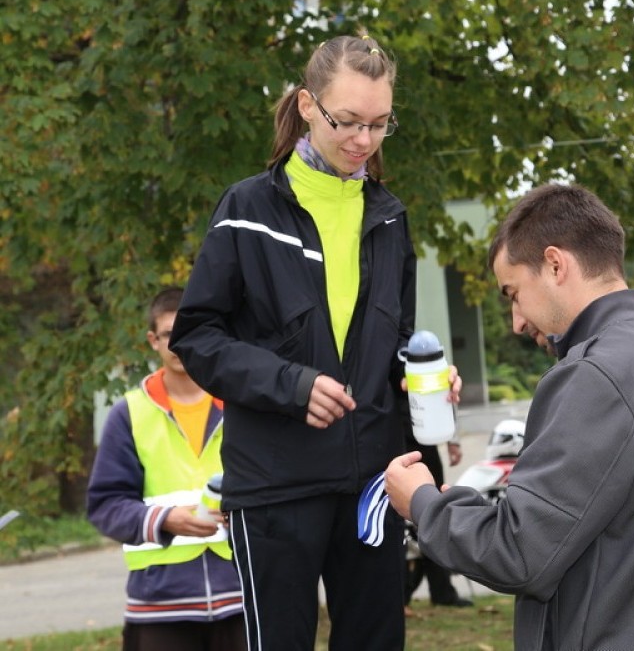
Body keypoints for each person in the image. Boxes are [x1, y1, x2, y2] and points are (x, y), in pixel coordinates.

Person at [168, 34, 462, 651]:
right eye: (348, 121)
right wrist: (292, 384)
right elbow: (197, 337)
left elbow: (396, 341)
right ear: (307, 105)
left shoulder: (389, 217)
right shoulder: (247, 209)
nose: (363, 141)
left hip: (372, 488)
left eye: (380, 125)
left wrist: (425, 376)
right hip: (276, 486)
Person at [385, 183, 634, 651]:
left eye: (513, 293)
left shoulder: (595, 374)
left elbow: (519, 552)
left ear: (555, 264)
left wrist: (424, 503)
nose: (515, 321)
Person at [87, 287, 245, 651]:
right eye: (171, 334)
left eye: (192, 329)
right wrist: (164, 519)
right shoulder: (128, 414)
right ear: (153, 340)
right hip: (161, 606)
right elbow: (105, 505)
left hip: (242, 595)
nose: (181, 343)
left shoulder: (243, 405)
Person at [403, 431, 472, 613]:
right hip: (393, 435)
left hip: (419, 434)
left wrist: (452, 437)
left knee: (432, 511)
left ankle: (441, 590)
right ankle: (405, 593)